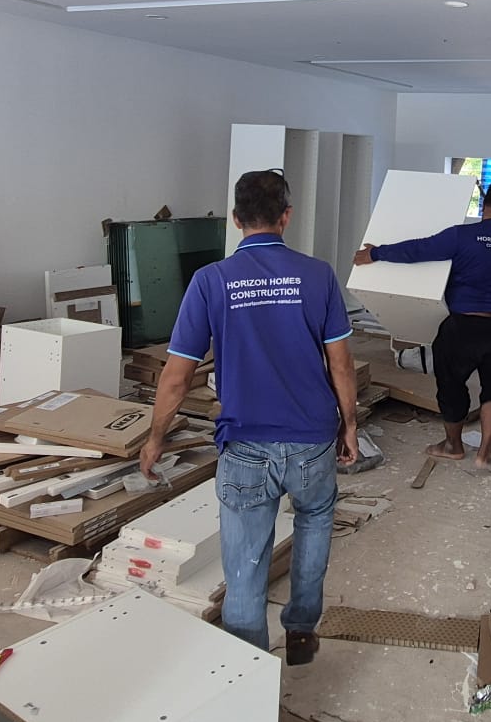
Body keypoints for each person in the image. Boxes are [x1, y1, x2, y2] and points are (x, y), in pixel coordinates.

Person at [139, 169, 359, 664]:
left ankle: (249, 675)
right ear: (287, 217)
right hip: (312, 439)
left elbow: (176, 377)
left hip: (245, 447)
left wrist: (155, 438)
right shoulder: (318, 275)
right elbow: (341, 365)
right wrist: (350, 425)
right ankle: (300, 632)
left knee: (244, 569)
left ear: (236, 220)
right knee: (315, 521)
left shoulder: (210, 281)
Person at [353, 178, 491, 468]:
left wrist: (375, 253)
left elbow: (419, 250)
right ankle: (484, 454)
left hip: (467, 324)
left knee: (451, 383)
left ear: (484, 205)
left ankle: (453, 446)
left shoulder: (463, 235)